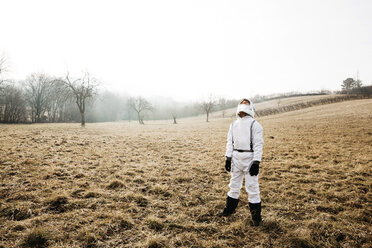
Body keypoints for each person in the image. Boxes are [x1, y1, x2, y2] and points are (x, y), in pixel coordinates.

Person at [217, 98, 264, 226]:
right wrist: (228, 157)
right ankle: (229, 210)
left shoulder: (255, 125)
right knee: (234, 185)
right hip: (236, 157)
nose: (243, 104)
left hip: (249, 158)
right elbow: (229, 142)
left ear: (251, 107)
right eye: (241, 102)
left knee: (252, 187)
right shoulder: (233, 124)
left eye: (246, 103)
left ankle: (256, 218)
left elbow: (258, 144)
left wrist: (256, 161)